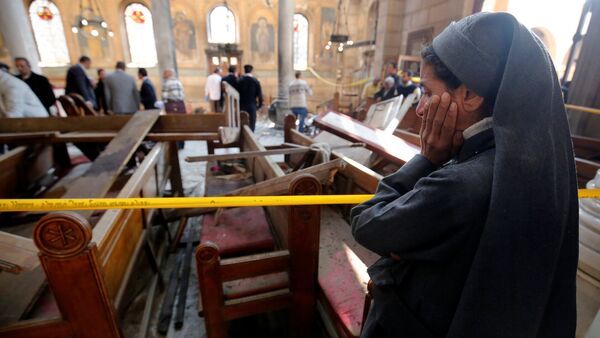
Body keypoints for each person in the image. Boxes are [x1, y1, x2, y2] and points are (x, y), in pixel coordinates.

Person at [351, 12, 577, 338]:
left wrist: (426, 159)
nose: (420, 108)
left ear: (469, 95)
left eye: (427, 93)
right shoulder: (525, 166)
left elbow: (367, 222)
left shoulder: (461, 184)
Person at [237, 64, 263, 131]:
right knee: (252, 122)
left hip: (241, 104)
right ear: (251, 71)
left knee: (242, 121)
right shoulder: (255, 81)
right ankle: (251, 135)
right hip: (252, 104)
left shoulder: (240, 81)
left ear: (244, 70)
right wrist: (259, 105)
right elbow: (259, 94)